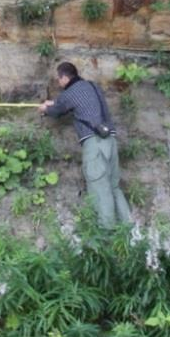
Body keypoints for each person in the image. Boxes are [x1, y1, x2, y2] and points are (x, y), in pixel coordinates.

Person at [40, 61, 132, 226]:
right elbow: (72, 104)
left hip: (95, 143)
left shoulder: (70, 92)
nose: (59, 83)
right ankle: (129, 231)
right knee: (114, 187)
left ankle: (107, 233)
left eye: (59, 79)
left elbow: (57, 110)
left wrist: (44, 109)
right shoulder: (91, 86)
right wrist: (53, 104)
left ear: (65, 77)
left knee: (99, 187)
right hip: (110, 140)